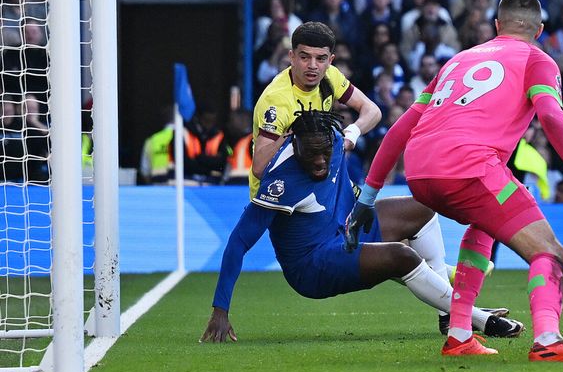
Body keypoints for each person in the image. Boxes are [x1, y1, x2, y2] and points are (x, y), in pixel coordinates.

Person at [346, 0, 563, 360]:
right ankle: (549, 342)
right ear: (539, 30)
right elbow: (552, 117)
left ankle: (459, 335)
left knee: (486, 220)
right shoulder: (537, 59)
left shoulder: (457, 61)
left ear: (496, 26)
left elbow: (399, 131)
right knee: (549, 250)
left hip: (420, 172)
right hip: (469, 167)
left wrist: (367, 198)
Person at [200, 109, 524, 342]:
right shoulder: (280, 182)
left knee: (425, 208)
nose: (319, 162)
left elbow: (370, 111)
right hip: (314, 266)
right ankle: (475, 318)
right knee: (402, 257)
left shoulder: (338, 140)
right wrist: (220, 309)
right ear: (293, 144)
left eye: (325, 153)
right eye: (310, 154)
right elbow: (238, 243)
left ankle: (448, 313)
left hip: (347, 229)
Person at [248, 21, 381, 203]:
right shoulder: (276, 100)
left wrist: (350, 134)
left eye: (320, 58)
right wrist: (291, 137)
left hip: (313, 175)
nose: (313, 65)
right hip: (275, 188)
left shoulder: (330, 75)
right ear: (292, 57)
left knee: (365, 208)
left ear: (330, 60)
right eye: (305, 57)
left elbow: (372, 111)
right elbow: (259, 166)